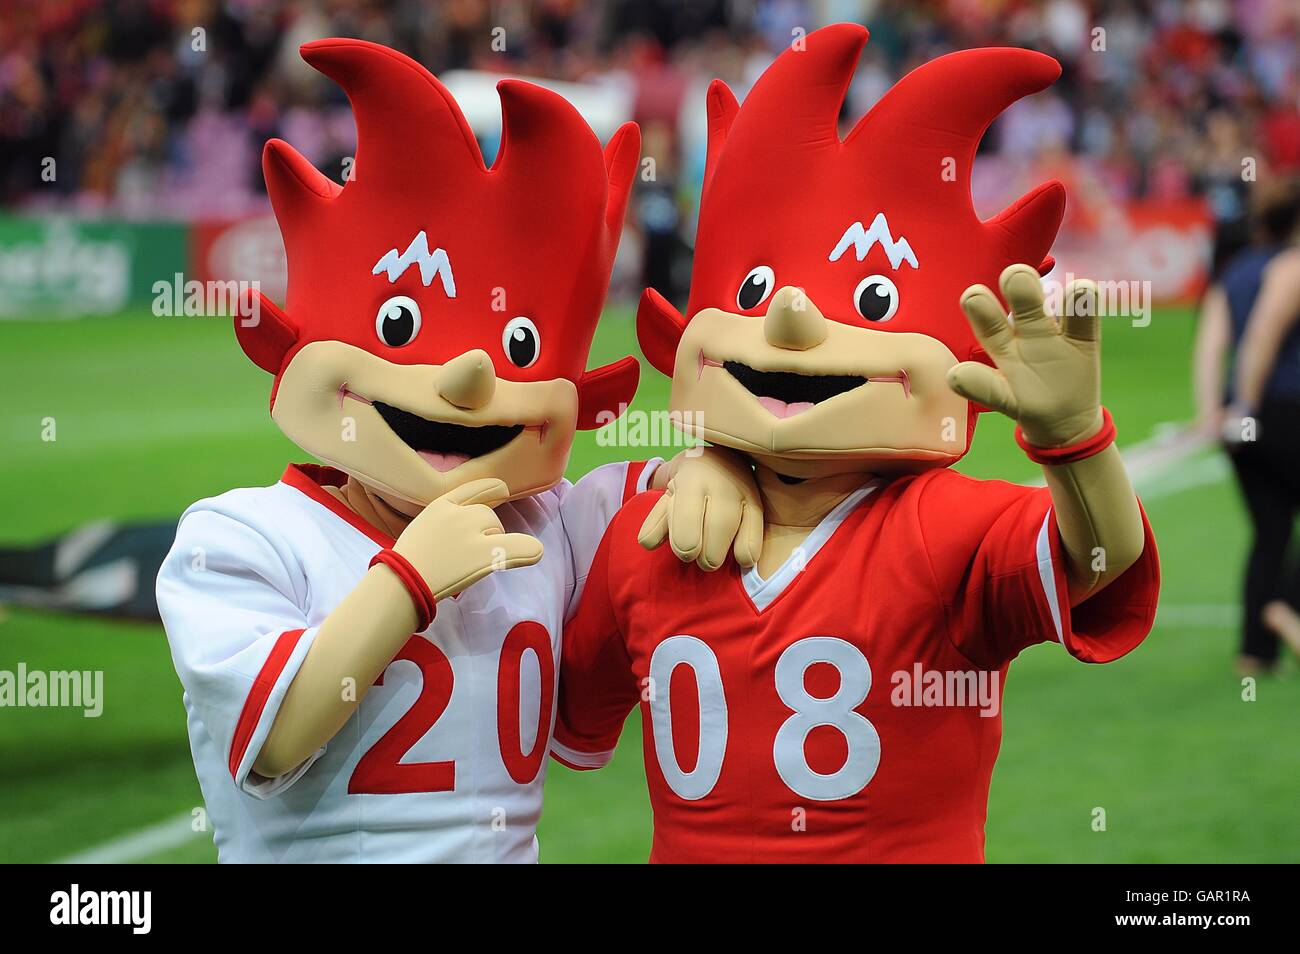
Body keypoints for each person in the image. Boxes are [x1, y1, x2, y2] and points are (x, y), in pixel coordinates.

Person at [554, 26, 1159, 863]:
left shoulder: (947, 530)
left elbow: (1102, 566)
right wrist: (695, 457)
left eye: (872, 300)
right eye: (757, 288)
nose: (792, 318)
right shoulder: (647, 538)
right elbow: (569, 714)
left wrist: (1075, 444)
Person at [154, 39, 752, 863]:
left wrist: (715, 461)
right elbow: (276, 741)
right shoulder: (240, 538)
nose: (468, 376)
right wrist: (408, 580)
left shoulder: (555, 521)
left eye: (516, 345)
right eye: (399, 331)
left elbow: (671, 499)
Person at [1196, 178, 1300, 672]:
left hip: (1243, 421)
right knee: (1276, 529)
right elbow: (1262, 334)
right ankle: (1288, 607)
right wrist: (1248, 403)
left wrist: (1213, 412)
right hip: (1283, 411)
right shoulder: (1291, 266)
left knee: (1270, 530)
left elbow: (1211, 344)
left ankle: (1255, 653)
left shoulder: (1233, 271)